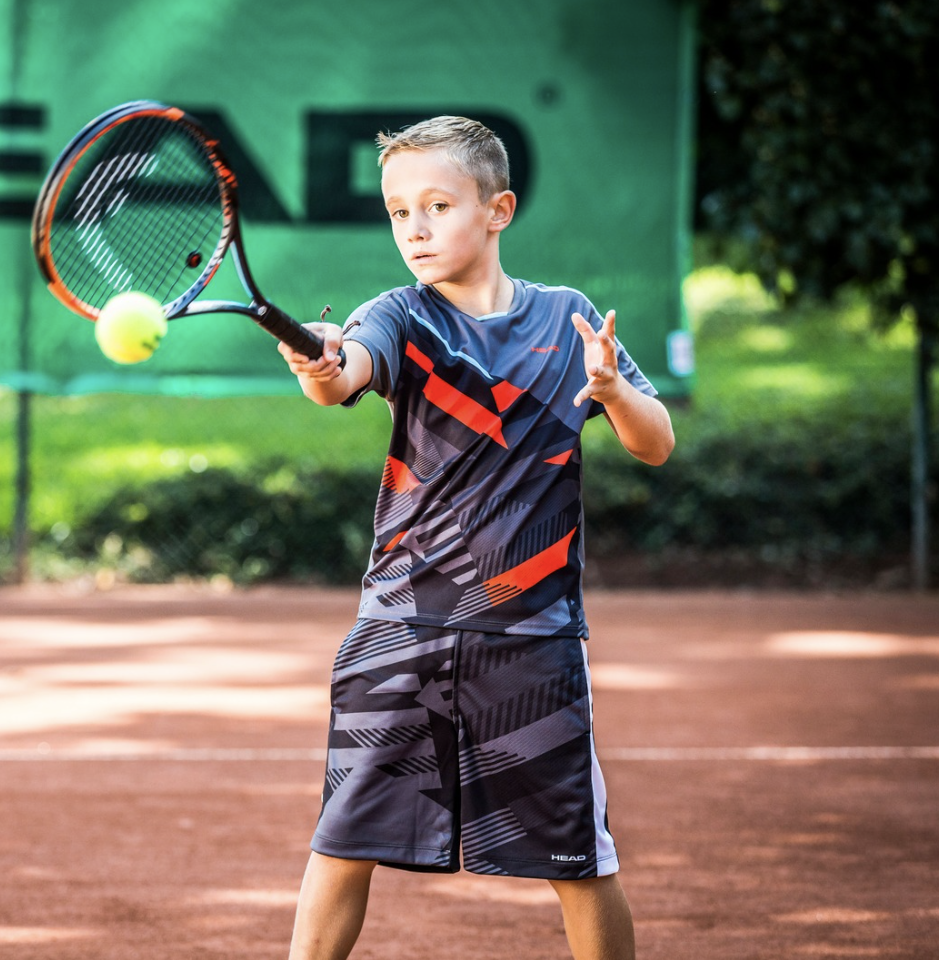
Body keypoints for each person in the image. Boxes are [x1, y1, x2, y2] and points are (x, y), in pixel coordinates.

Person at [276, 115, 674, 960]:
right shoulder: (398, 317)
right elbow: (345, 372)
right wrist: (322, 363)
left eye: (437, 205)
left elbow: (656, 443)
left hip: (532, 641)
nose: (414, 228)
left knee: (581, 860)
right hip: (399, 631)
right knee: (342, 843)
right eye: (397, 212)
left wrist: (611, 389)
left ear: (498, 209)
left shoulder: (569, 322)